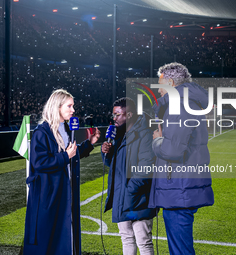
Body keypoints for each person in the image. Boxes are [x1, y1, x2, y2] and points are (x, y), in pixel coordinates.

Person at [23, 89, 100, 255]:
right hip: (48, 196)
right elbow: (40, 163)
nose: (73, 110)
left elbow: (71, 154)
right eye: (69, 106)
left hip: (64, 192)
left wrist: (88, 144)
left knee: (64, 236)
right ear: (57, 106)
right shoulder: (41, 132)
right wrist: (65, 156)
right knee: (48, 240)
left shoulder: (65, 129)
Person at [148, 63, 214, 255]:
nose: (159, 89)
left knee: (180, 250)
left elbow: (171, 151)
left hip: (178, 188)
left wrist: (157, 140)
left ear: (170, 82)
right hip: (182, 186)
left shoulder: (179, 105)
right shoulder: (187, 103)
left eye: (160, 84)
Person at [101, 97, 156, 255]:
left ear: (129, 115)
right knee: (126, 238)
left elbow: (146, 167)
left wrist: (130, 190)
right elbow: (113, 165)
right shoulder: (118, 135)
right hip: (122, 197)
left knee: (143, 241)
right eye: (114, 115)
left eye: (118, 114)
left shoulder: (145, 133)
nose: (114, 118)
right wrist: (106, 153)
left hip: (138, 199)